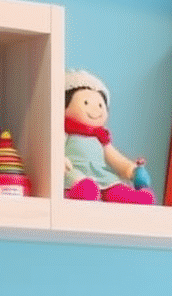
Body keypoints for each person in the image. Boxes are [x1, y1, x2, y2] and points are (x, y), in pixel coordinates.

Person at [63, 70, 155, 204]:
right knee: (83, 185)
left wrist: (131, 169)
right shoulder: (66, 131)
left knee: (115, 186)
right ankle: (80, 191)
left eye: (101, 105)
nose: (96, 110)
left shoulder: (101, 137)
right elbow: (56, 148)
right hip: (75, 172)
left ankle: (135, 198)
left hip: (102, 175)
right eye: (86, 103)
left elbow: (114, 157)